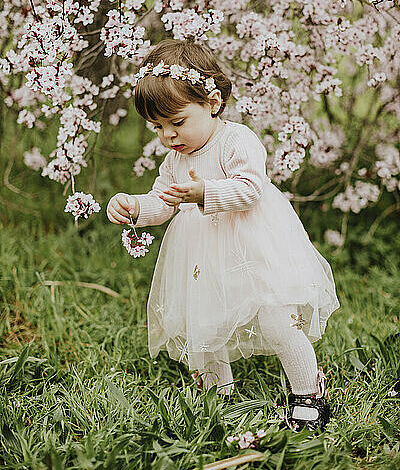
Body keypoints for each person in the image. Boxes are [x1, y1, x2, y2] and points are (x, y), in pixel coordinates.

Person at [106, 38, 340, 432]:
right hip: (202, 256)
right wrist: (134, 207)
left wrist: (206, 192)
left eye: (177, 122)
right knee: (204, 320)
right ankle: (218, 395)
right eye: (158, 127)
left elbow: (251, 189)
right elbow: (163, 202)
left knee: (276, 318)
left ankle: (308, 392)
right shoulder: (174, 159)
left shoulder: (236, 140)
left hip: (253, 245)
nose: (168, 136)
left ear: (212, 102)